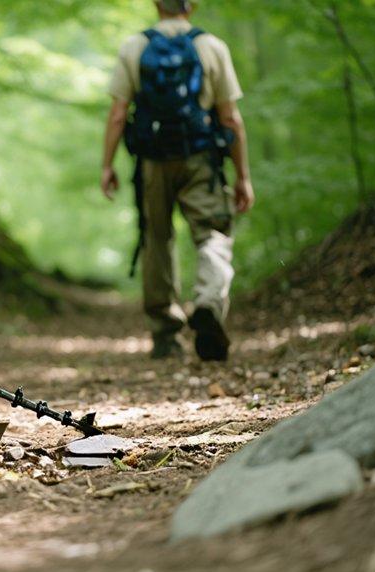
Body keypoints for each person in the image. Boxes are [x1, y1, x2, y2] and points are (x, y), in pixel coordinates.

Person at [101, 0, 254, 361]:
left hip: (152, 161)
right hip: (201, 157)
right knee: (213, 233)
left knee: (156, 238)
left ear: (157, 4)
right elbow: (230, 118)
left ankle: (166, 336)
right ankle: (208, 304)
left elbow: (119, 114)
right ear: (192, 5)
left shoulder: (134, 47)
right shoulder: (212, 46)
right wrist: (243, 175)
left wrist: (107, 165)